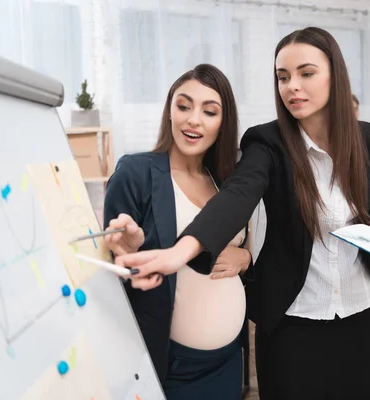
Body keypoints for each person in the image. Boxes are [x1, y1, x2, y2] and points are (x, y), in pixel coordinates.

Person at [116, 27, 370, 400]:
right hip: (294, 320)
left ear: (334, 76)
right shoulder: (267, 142)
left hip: (362, 315)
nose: (292, 86)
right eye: (283, 76)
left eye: (305, 73)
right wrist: (178, 253)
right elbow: (236, 197)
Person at [103, 64, 252, 400]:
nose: (193, 119)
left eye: (209, 111)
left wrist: (245, 256)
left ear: (222, 123)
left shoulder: (225, 181)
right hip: (172, 367)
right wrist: (125, 249)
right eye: (183, 106)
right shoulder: (136, 172)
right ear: (169, 111)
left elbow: (243, 244)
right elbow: (113, 267)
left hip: (229, 360)